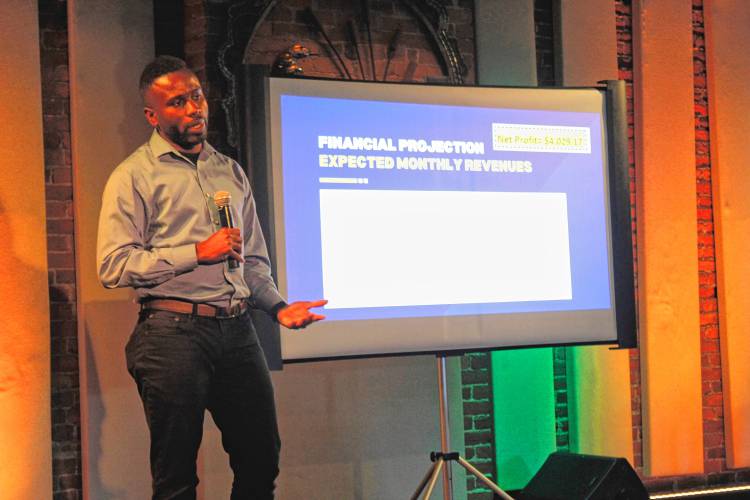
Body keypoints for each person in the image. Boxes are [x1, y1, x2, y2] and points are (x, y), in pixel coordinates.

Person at [97, 55, 326, 500]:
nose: (193, 108)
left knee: (261, 458)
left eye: (197, 96)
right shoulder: (133, 177)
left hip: (237, 329)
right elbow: (113, 264)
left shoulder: (229, 171)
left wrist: (278, 307)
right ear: (153, 115)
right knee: (177, 475)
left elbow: (253, 261)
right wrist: (195, 253)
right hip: (171, 334)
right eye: (177, 102)